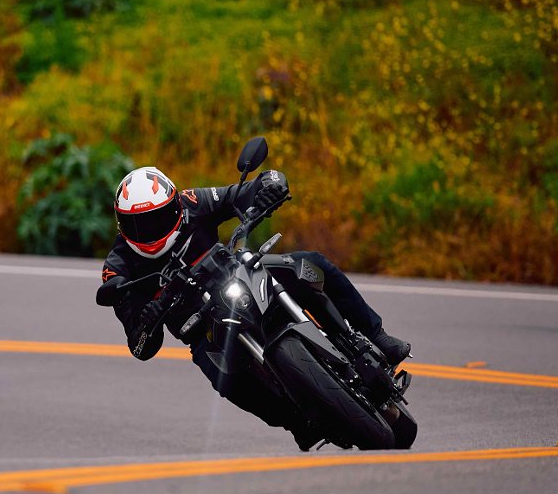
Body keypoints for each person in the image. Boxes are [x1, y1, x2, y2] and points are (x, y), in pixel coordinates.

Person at [98, 165, 411, 450]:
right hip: (202, 328)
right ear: (120, 224)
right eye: (137, 225)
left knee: (310, 264)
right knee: (222, 377)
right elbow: (140, 346)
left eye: (157, 218)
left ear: (175, 206)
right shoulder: (117, 267)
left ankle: (376, 336)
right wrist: (149, 320)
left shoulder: (192, 202)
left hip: (239, 274)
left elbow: (252, 186)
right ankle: (296, 423)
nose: (149, 230)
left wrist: (270, 188)